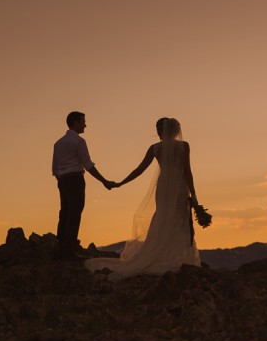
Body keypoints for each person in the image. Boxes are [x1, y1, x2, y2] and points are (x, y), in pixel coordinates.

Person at [85, 117, 202, 280]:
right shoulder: (184, 146)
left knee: (163, 216)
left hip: (163, 187)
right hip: (179, 185)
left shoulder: (155, 148)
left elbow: (139, 170)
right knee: (178, 218)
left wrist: (120, 183)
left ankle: (160, 253)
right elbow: (187, 171)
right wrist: (194, 194)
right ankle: (176, 255)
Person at [52, 111, 115, 261]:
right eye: (82, 122)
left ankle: (62, 247)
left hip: (63, 180)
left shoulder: (58, 143)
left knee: (65, 212)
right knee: (74, 213)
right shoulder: (79, 142)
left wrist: (60, 181)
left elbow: (54, 168)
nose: (85, 125)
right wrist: (104, 181)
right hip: (75, 180)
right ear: (75, 123)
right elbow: (88, 164)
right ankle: (69, 250)